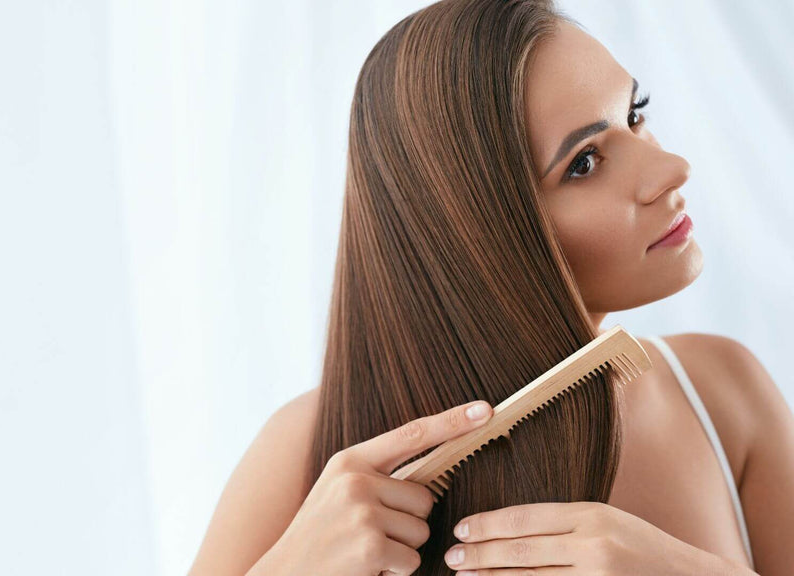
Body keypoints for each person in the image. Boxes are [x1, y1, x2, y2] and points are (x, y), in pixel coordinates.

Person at [189, 1, 793, 574]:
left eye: (635, 115)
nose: (672, 169)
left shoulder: (724, 393)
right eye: (583, 162)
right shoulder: (310, 455)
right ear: (476, 231)